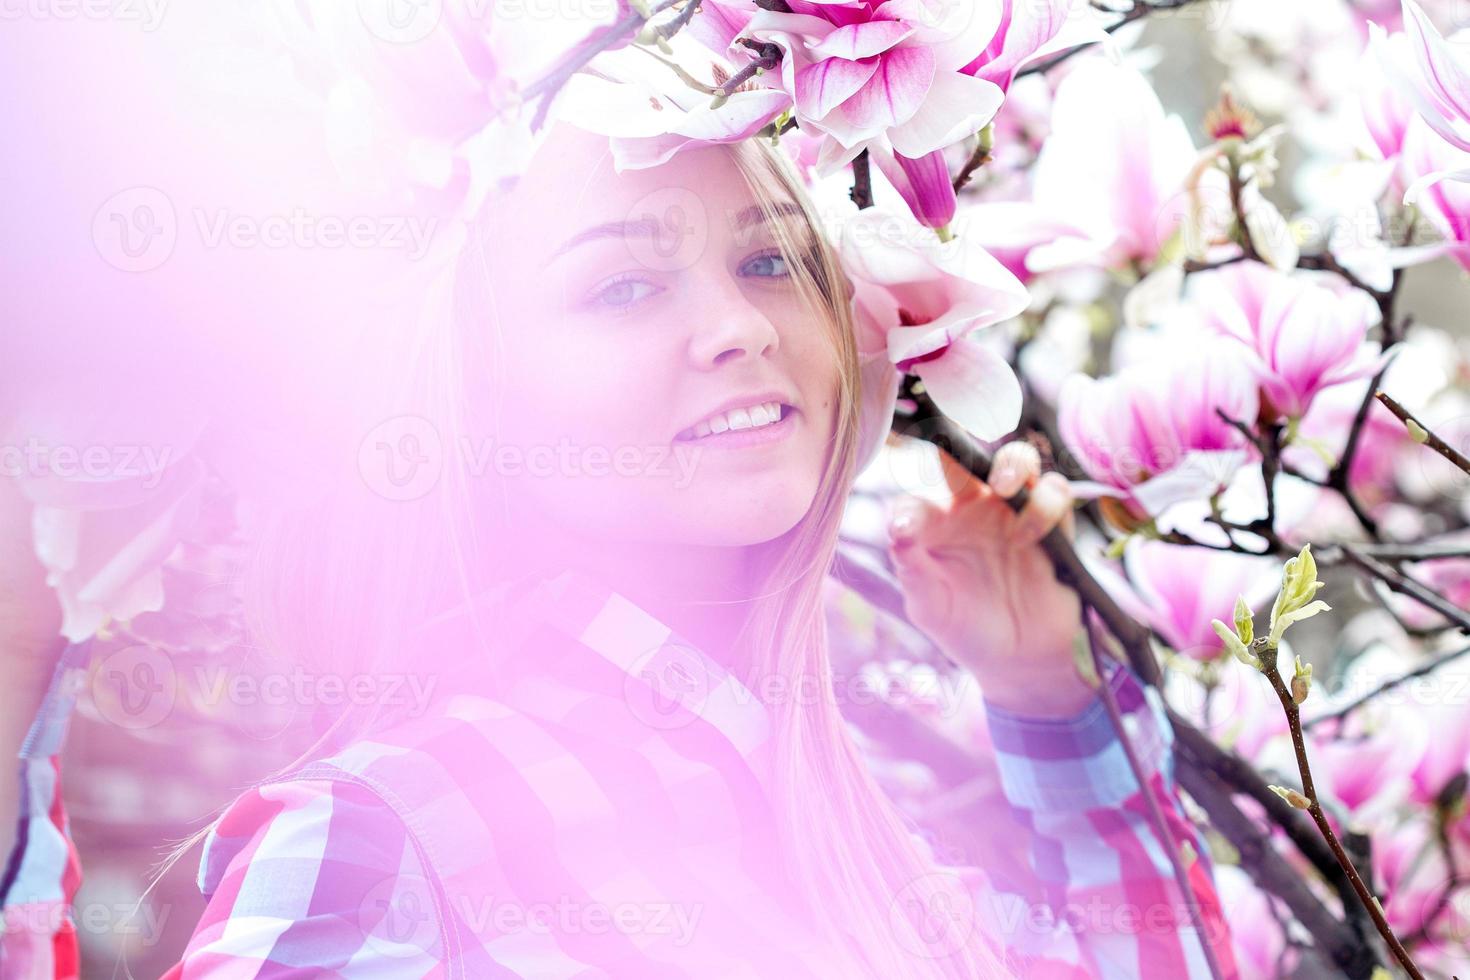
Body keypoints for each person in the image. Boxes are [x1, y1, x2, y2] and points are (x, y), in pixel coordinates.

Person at [0, 121, 1234, 978]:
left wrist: (1045, 697)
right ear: (468, 390)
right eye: (622, 286)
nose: (741, 326)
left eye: (769, 258)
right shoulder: (391, 836)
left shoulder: (875, 838)